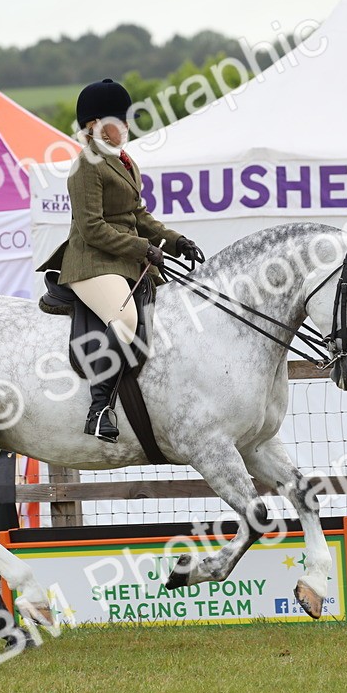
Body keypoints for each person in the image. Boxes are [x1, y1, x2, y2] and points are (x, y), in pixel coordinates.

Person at [38, 78, 204, 443]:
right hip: (91, 262)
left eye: (128, 119)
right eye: (118, 119)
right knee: (126, 317)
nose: (126, 126)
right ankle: (99, 410)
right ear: (94, 125)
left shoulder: (125, 162)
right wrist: (143, 249)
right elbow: (93, 228)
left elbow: (139, 216)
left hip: (123, 259)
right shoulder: (87, 166)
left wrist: (177, 241)